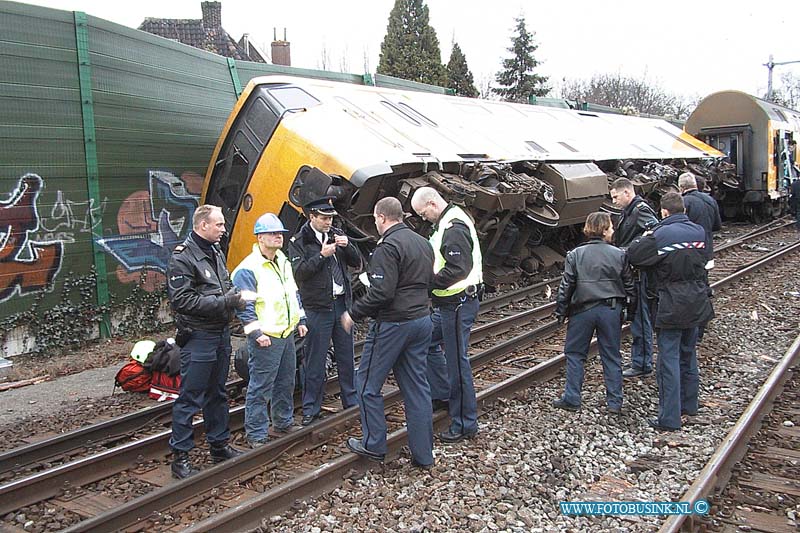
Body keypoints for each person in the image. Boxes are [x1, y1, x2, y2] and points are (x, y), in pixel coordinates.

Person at [341, 197, 435, 469]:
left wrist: (353, 313)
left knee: (367, 384)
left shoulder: (387, 247)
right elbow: (430, 281)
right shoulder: (422, 242)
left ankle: (373, 445)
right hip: (421, 320)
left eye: (375, 219)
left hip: (393, 325)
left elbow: (382, 292)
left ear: (381, 217)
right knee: (417, 388)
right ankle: (423, 454)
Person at [166, 204, 244, 479]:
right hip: (199, 336)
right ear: (203, 226)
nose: (223, 229)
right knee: (190, 396)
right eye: (219, 225)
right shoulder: (183, 258)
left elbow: (222, 284)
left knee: (218, 392)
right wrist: (226, 301)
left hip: (220, 332)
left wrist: (235, 298)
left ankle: (219, 444)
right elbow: (182, 300)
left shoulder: (214, 251)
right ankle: (180, 457)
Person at [627, 192, 714, 431]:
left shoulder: (659, 235)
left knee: (669, 360)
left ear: (664, 212)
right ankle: (690, 405)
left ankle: (669, 418)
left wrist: (645, 236)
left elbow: (634, 256)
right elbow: (706, 260)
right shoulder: (699, 232)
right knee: (689, 354)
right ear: (683, 209)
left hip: (669, 304)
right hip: (696, 301)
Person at [411, 187, 483, 443]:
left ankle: (465, 423)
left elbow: (458, 269)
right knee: (428, 342)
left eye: (423, 213)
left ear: (432, 203)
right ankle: (443, 395)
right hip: (448, 304)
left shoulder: (453, 227)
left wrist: (427, 284)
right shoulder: (448, 221)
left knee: (457, 362)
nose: (423, 218)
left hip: (458, 303)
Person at [231, 213, 307, 447]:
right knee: (260, 386)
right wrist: (256, 334)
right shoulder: (249, 269)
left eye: (280, 234)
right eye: (273, 233)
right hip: (267, 337)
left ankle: (283, 421)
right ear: (260, 237)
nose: (278, 237)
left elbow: (292, 293)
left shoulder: (282, 260)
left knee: (286, 381)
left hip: (285, 332)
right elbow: (245, 307)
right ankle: (256, 433)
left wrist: (301, 319)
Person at [552, 212, 636, 414]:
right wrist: (629, 313)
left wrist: (561, 311)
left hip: (582, 310)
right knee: (611, 355)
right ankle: (614, 402)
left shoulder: (575, 255)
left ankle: (572, 398)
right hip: (610, 310)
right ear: (605, 229)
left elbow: (566, 286)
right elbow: (630, 287)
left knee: (575, 354)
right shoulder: (619, 254)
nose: (613, 230)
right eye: (611, 227)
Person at [288, 197, 361, 426]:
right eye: (324, 218)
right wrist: (321, 256)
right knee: (315, 360)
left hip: (340, 304)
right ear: (312, 217)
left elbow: (356, 261)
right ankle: (311, 408)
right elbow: (299, 273)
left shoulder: (336, 233)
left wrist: (347, 245)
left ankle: (351, 401)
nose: (328, 222)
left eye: (330, 218)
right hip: (317, 307)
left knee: (346, 356)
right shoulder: (299, 240)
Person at [609, 178, 659, 379]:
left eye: (615, 197)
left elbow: (654, 232)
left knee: (640, 317)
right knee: (637, 316)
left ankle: (643, 362)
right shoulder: (629, 211)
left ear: (627, 193)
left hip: (640, 272)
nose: (614, 201)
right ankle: (640, 360)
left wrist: (630, 249)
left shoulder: (640, 210)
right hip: (633, 270)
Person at [679, 173, 721, 269]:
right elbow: (717, 226)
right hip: (707, 249)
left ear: (681, 187)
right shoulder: (710, 200)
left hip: (688, 252)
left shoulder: (682, 202)